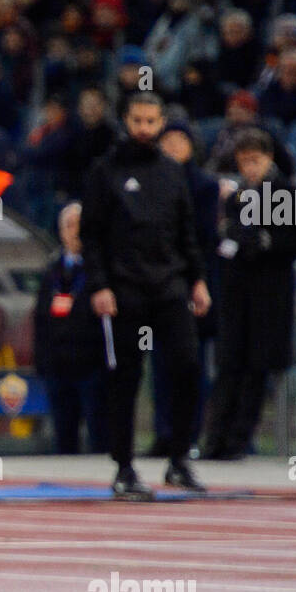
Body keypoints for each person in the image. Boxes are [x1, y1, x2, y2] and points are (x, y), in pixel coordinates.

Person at [79, 91, 212, 500]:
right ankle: (123, 466)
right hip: (124, 289)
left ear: (161, 124)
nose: (144, 129)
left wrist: (198, 279)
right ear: (125, 121)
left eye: (152, 122)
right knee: (126, 376)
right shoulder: (105, 171)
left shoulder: (172, 172)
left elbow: (186, 231)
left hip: (169, 285)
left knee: (188, 366)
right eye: (137, 121)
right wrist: (100, 285)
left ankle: (179, 459)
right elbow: (92, 235)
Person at [202, 129, 296, 459]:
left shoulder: (288, 194)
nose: (248, 168)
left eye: (254, 161)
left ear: (269, 158)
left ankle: (237, 440)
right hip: (238, 291)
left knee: (256, 368)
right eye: (243, 162)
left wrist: (269, 242)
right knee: (229, 366)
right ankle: (214, 439)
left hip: (269, 293)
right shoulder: (238, 195)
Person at [148, 119, 224, 456]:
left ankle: (189, 436)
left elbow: (203, 239)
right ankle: (164, 432)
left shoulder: (204, 186)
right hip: (156, 285)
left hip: (191, 283)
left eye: (181, 140)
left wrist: (198, 281)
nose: (174, 147)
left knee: (191, 365)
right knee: (159, 366)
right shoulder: (150, 181)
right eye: (168, 140)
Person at [33, 202, 107, 454]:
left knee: (99, 433)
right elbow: (41, 319)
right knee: (64, 437)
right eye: (68, 225)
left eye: (78, 225)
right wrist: (42, 362)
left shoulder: (100, 270)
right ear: (60, 231)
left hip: (91, 365)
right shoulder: (51, 270)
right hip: (58, 365)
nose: (74, 231)